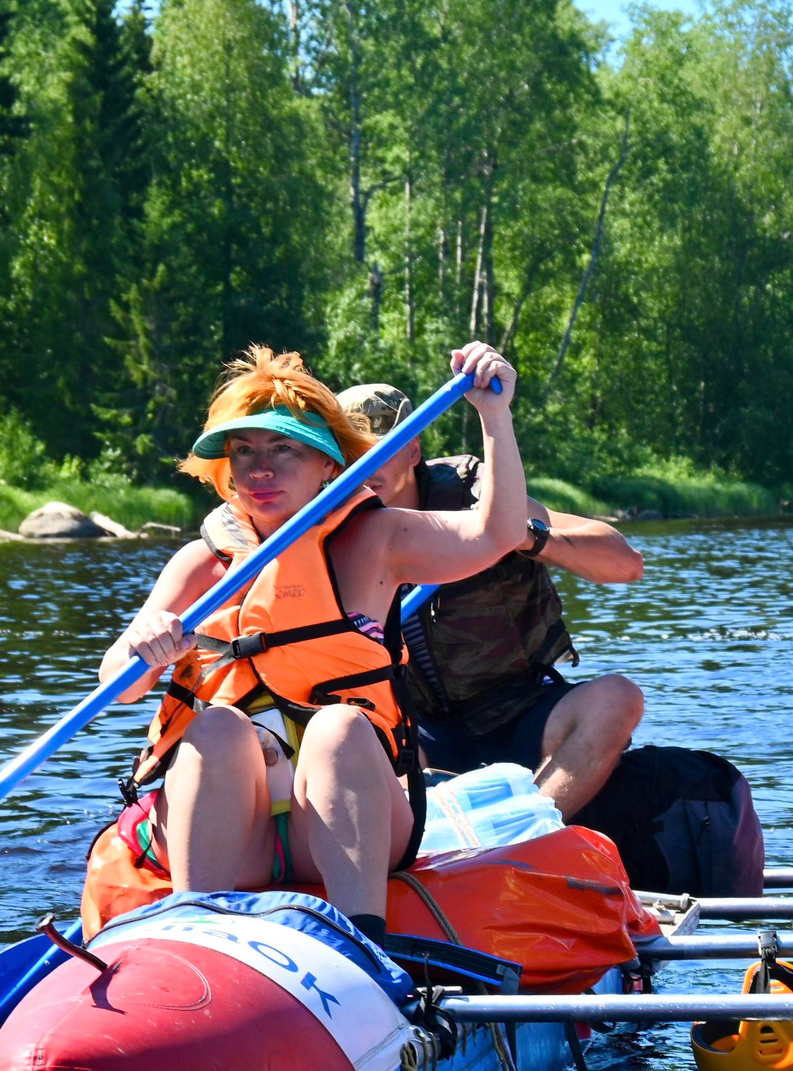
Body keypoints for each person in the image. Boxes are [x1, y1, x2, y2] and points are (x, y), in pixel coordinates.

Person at [100, 342, 526, 947]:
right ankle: (195, 945)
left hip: (343, 817)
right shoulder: (201, 562)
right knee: (214, 728)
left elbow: (498, 533)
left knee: (339, 728)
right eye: (243, 451)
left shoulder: (375, 540)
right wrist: (140, 646)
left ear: (329, 463)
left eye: (283, 449)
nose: (259, 469)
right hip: (229, 831)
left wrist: (494, 416)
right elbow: (118, 683)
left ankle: (365, 951)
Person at [345, 382, 648, 818]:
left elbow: (626, 565)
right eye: (351, 454)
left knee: (617, 698)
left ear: (413, 451)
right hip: (420, 731)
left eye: (380, 450)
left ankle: (526, 829)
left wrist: (519, 535)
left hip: (519, 710)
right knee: (342, 731)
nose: (365, 467)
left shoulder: (479, 493)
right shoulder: (331, 525)